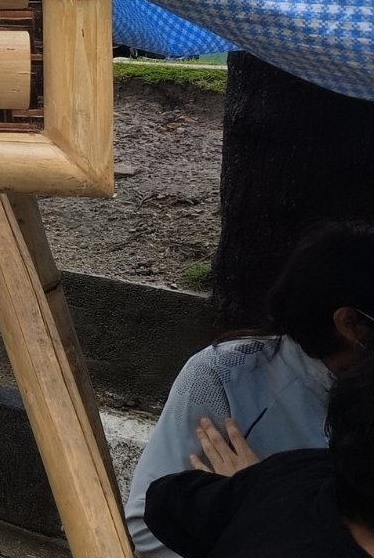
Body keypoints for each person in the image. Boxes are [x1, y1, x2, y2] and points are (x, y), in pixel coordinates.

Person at [125, 224, 374, 555]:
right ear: (350, 325)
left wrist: (258, 494)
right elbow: (148, 523)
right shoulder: (224, 377)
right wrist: (253, 502)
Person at [144, 351, 374, 556]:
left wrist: (252, 493)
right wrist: (251, 491)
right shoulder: (297, 472)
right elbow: (157, 507)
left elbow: (164, 500)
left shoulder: (297, 471)